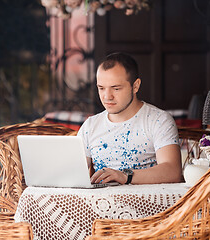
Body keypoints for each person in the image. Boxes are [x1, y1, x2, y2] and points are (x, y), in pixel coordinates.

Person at [77, 52, 182, 185]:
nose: (107, 96)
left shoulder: (159, 120)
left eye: (116, 88)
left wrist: (125, 176)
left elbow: (173, 172)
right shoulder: (90, 126)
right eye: (101, 88)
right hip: (99, 203)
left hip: (145, 202)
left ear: (135, 86)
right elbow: (72, 173)